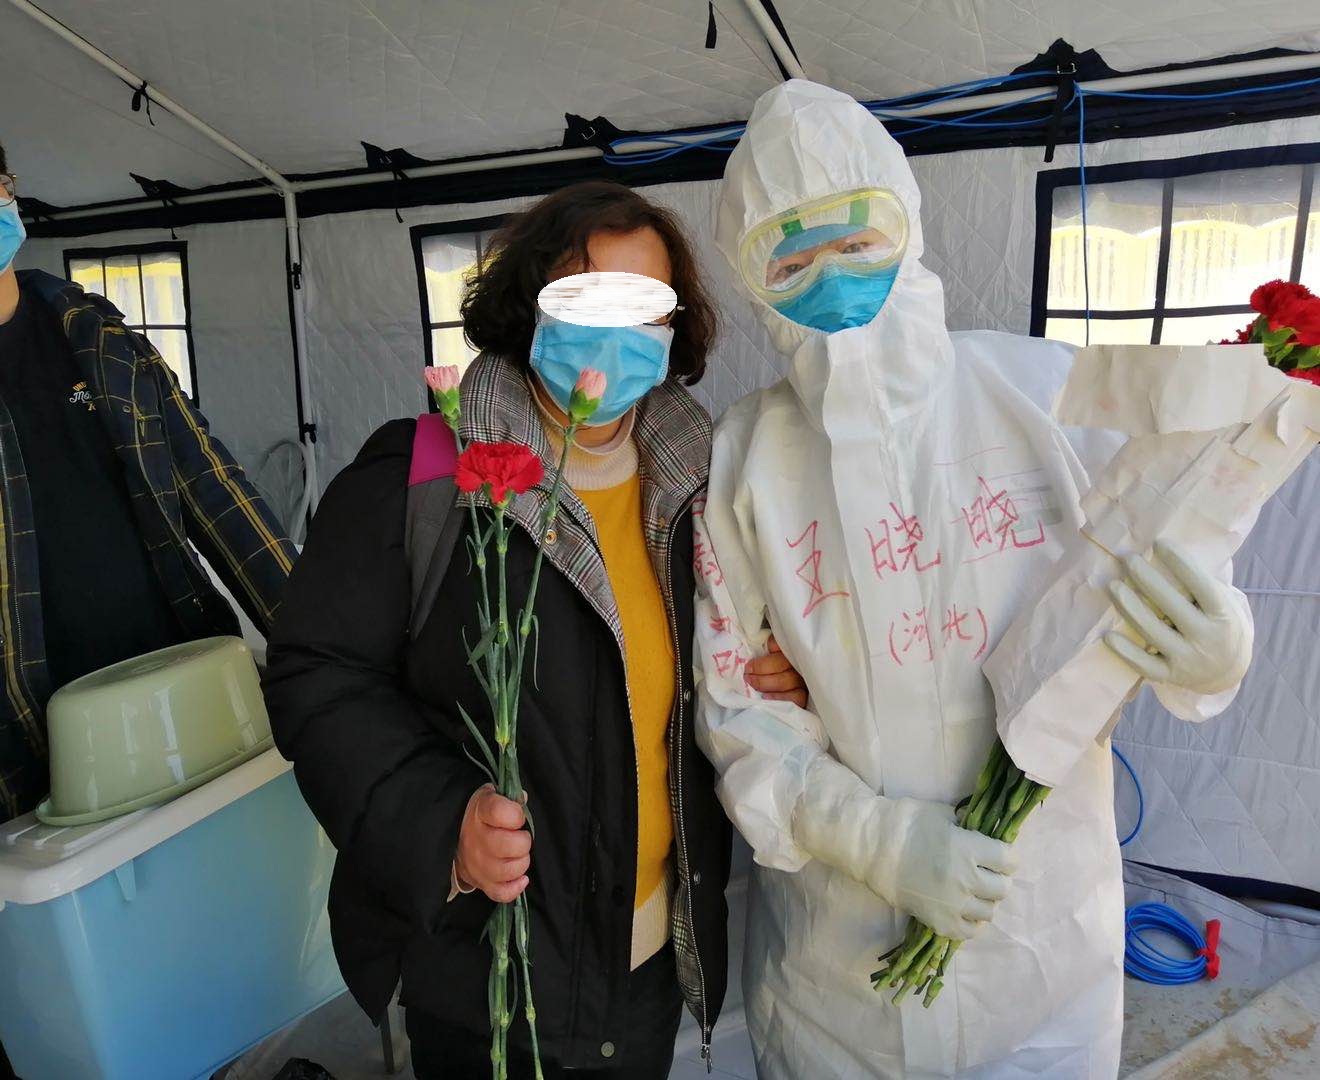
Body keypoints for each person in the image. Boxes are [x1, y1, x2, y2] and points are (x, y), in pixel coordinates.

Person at [693, 81, 1254, 1079]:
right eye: (790, 256)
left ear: (906, 219)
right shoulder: (747, 458)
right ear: (749, 276)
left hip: (1041, 948)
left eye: (856, 236)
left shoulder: (1045, 392)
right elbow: (738, 708)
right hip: (837, 979)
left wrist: (1216, 648)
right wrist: (882, 843)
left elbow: (1167, 553)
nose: (831, 275)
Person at [262, 180, 809, 1080]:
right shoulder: (424, 477)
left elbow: (729, 662)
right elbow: (317, 674)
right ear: (530, 307)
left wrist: (785, 669)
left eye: (643, 307)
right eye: (585, 299)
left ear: (673, 329)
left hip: (650, 967)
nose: (614, 335)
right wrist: (442, 824)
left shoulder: (703, 490)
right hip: (489, 982)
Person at [0, 143, 297, 1080]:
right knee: (75, 1007)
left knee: (205, 962)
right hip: (28, 761)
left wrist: (327, 651)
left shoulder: (96, 339)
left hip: (184, 715)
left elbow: (221, 497)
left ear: (7, 192)